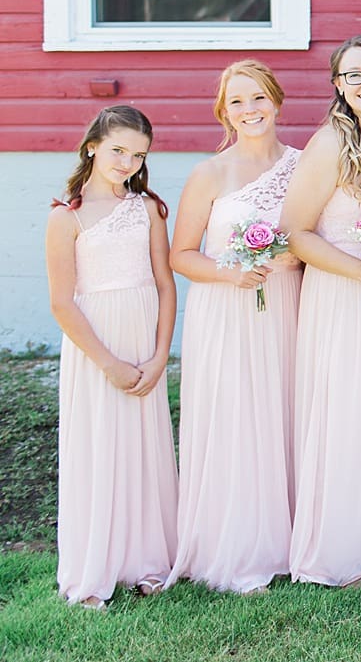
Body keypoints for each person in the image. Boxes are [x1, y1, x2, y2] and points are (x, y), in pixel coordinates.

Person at [169, 61, 303, 594]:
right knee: (238, 417)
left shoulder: (302, 166)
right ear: (224, 111)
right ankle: (240, 549)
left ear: (277, 100)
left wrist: (291, 258)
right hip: (227, 308)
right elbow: (181, 254)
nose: (250, 110)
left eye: (258, 98)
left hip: (288, 304)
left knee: (286, 412)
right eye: (237, 102)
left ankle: (295, 539)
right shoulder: (210, 173)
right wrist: (232, 272)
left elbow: (314, 236)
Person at [281, 36, 361, 588]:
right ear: (337, 83)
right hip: (340, 291)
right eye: (354, 75)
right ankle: (336, 555)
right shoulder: (330, 144)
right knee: (345, 414)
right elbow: (296, 233)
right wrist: (359, 272)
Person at [45, 105, 177, 608]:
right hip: (96, 345)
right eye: (118, 150)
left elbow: (165, 285)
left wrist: (160, 356)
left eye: (138, 155)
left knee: (142, 449)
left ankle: (146, 561)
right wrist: (108, 362)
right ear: (92, 147)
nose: (127, 162)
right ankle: (93, 570)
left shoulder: (147, 210)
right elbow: (62, 302)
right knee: (99, 447)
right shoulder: (67, 216)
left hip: (142, 338)